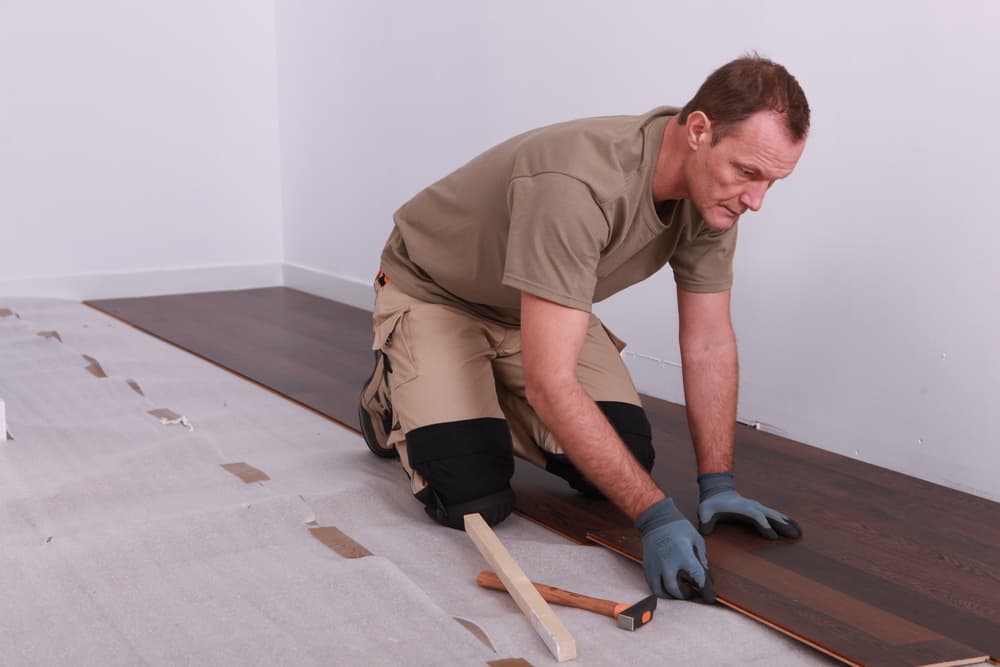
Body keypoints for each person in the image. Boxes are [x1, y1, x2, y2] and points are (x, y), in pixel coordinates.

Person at [359, 55, 809, 603]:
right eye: (749, 173)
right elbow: (554, 385)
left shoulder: (713, 198)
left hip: (534, 308)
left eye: (772, 182)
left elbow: (709, 342)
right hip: (438, 292)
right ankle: (392, 398)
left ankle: (472, 393)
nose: (756, 200)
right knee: (469, 495)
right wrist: (655, 517)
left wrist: (719, 484)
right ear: (699, 131)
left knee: (623, 459)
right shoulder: (579, 185)